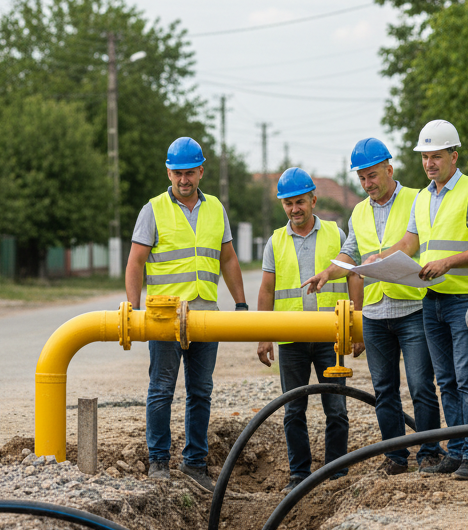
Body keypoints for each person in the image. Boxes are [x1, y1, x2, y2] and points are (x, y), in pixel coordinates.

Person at [303, 138, 444, 476]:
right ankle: (395, 456)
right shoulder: (359, 211)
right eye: (362, 178)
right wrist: (327, 270)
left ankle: (430, 453)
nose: (367, 184)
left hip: (411, 307)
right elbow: (349, 254)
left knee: (421, 385)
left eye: (372, 176)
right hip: (376, 312)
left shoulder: (416, 199)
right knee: (384, 389)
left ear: (389, 169)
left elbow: (419, 241)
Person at [125, 136, 247, 490]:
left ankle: (195, 463)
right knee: (162, 388)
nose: (183, 180)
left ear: (201, 172)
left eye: (190, 173)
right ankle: (158, 462)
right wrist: (133, 310)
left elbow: (228, 259)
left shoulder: (215, 210)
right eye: (178, 173)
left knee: (200, 391)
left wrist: (239, 303)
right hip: (164, 317)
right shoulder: (153, 209)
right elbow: (136, 261)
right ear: (168, 172)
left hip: (206, 313)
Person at [373, 120, 468, 480]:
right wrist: (380, 259)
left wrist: (450, 266)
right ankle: (455, 450)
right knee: (447, 380)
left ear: (454, 156)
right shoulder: (423, 198)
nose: (429, 163)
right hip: (432, 301)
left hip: (460, 300)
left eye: (436, 156)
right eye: (425, 157)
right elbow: (410, 243)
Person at [257, 167, 362, 491]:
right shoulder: (275, 241)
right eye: (288, 204)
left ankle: (337, 473)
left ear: (313, 200)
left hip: (330, 337)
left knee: (336, 407)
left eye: (299, 202)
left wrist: (356, 324)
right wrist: (264, 335)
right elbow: (267, 290)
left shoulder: (336, 234)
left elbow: (353, 275)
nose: (294, 209)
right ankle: (299, 476)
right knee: (293, 410)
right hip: (291, 339)